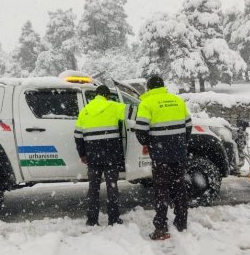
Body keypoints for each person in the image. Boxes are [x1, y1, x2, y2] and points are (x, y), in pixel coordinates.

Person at [135, 76, 192, 240]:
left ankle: (161, 227)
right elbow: (188, 125)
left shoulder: (146, 103)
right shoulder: (177, 101)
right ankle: (181, 222)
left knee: (161, 190)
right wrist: (181, 143)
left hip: (161, 155)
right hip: (179, 153)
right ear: (162, 86)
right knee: (179, 186)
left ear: (149, 88)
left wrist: (147, 143)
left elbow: (141, 130)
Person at [74, 85, 126, 226]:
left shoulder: (84, 111)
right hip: (111, 155)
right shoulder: (114, 106)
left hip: (93, 156)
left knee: (93, 188)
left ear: (95, 96)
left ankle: (92, 220)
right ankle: (113, 219)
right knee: (112, 188)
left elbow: (78, 136)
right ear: (107, 96)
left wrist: (83, 154)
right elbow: (131, 114)